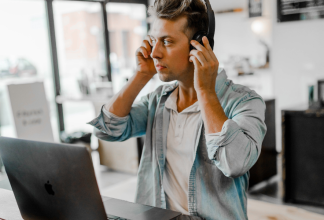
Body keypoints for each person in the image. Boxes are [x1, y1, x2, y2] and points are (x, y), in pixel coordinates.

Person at [88, 0, 266, 219]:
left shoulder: (244, 101)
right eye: (154, 41)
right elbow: (106, 130)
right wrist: (141, 75)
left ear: (199, 45)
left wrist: (206, 92)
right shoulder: (158, 101)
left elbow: (235, 163)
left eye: (167, 42)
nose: (154, 53)